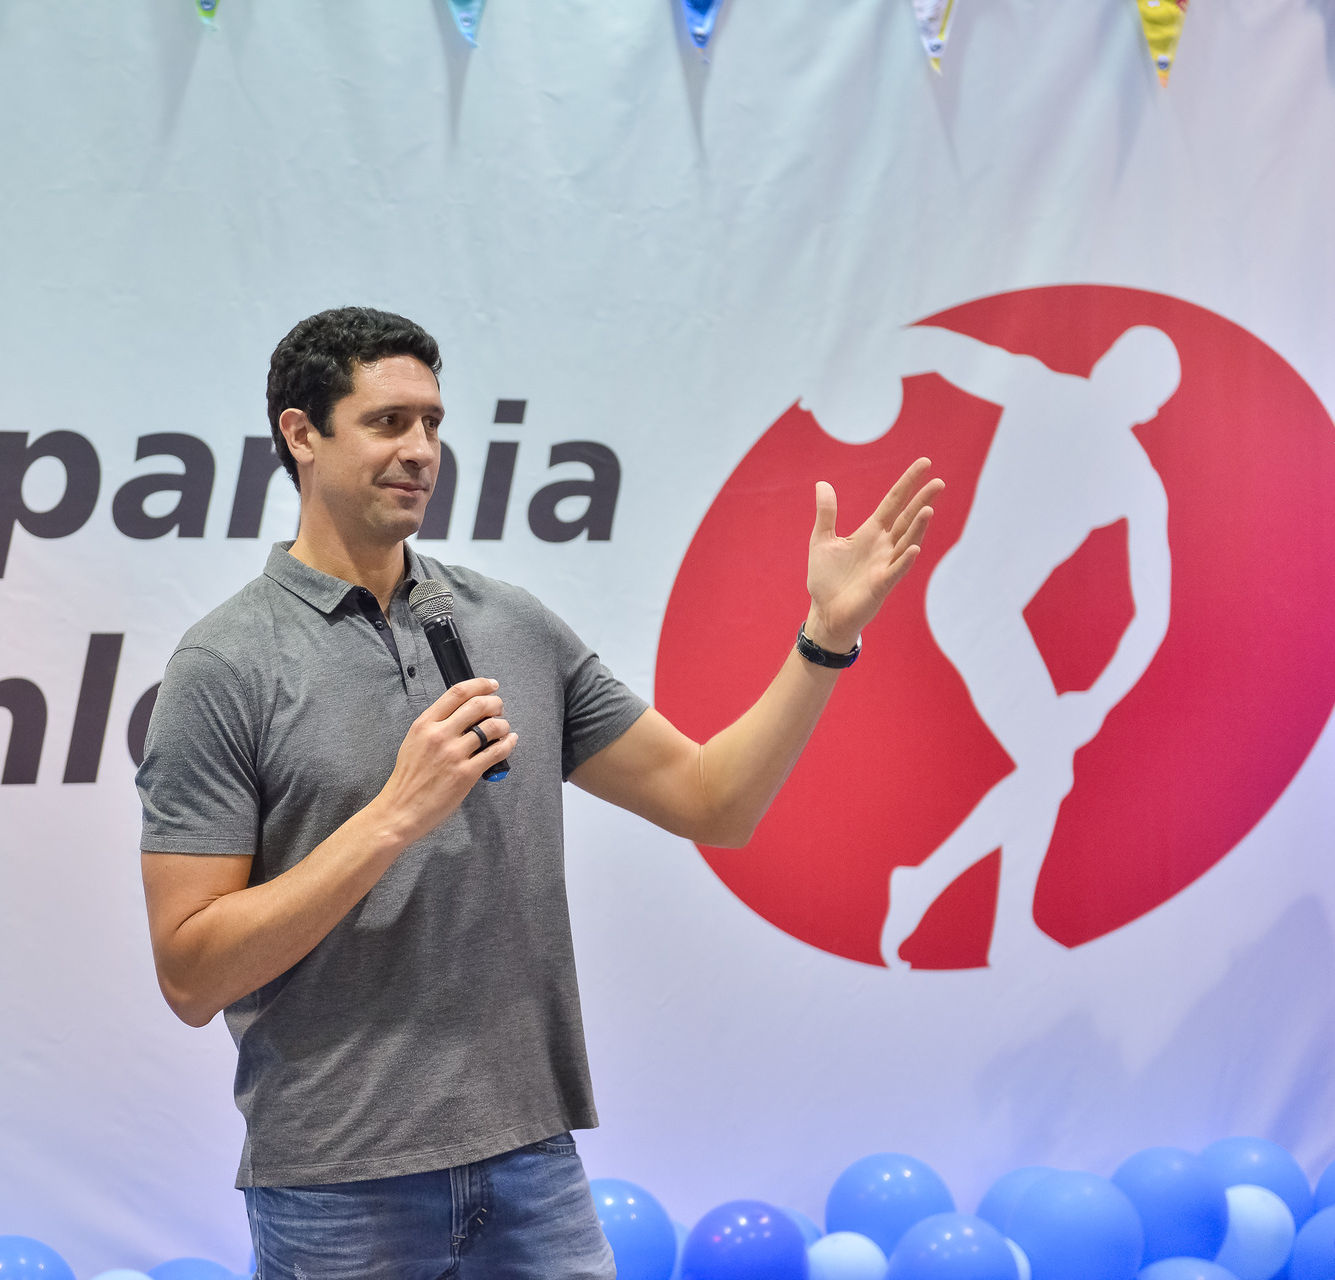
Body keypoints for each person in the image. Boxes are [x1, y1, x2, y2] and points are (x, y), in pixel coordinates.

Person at [136, 307, 941, 1278]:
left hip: (532, 1161)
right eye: (387, 422)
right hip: (338, 1182)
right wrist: (393, 816)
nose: (421, 449)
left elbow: (713, 802)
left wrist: (825, 638)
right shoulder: (225, 665)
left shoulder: (510, 624)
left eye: (432, 422)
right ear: (301, 434)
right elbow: (192, 973)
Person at [876, 325, 1178, 968]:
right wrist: (873, 351)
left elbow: (1154, 613)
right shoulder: (1086, 432)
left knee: (1047, 771)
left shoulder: (1123, 466)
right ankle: (946, 897)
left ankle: (967, 908)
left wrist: (1096, 701)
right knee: (1047, 770)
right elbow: (945, 353)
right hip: (970, 604)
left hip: (980, 608)